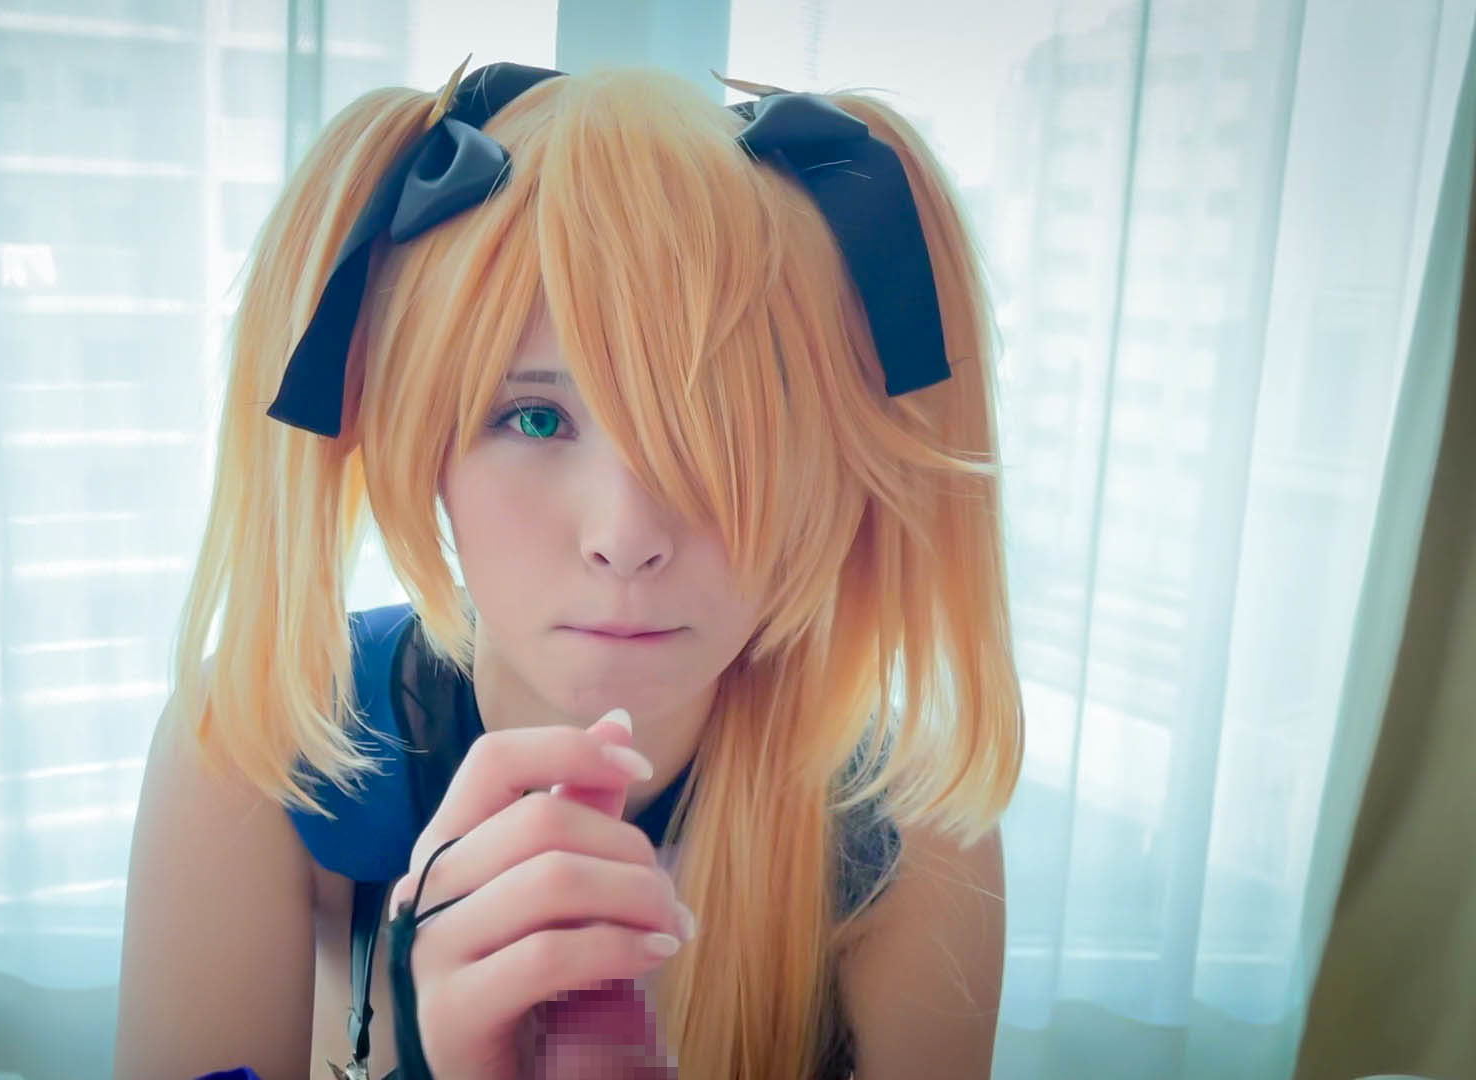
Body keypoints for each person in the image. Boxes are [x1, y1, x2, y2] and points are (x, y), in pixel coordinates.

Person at [115, 59, 1021, 1080]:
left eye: (726, 429)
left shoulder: (907, 822)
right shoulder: (262, 744)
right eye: (534, 418)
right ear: (421, 446)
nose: (626, 535)